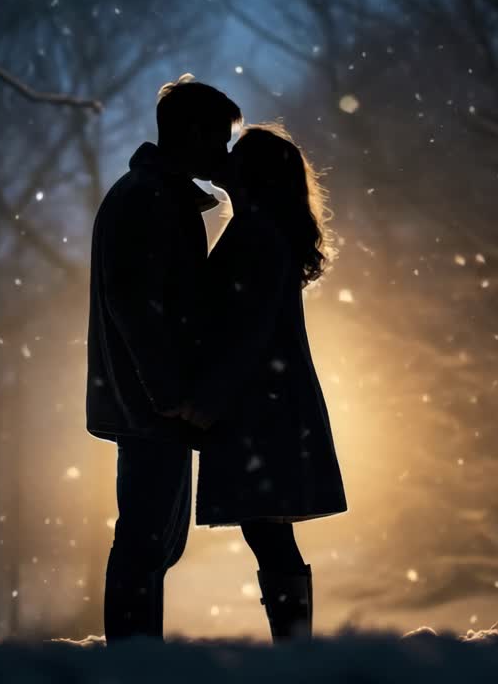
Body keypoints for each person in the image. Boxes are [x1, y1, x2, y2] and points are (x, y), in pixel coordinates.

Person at [86, 74, 240, 643]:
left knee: (154, 540)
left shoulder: (150, 193)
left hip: (147, 400)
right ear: (195, 133)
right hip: (152, 403)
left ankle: (138, 656)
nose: (223, 153)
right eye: (219, 140)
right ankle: (133, 661)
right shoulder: (151, 199)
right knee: (147, 540)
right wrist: (169, 392)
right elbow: (137, 305)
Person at [181, 123, 349, 641]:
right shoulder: (265, 229)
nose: (224, 159)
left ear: (252, 174)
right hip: (272, 400)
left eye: (236, 155)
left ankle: (294, 648)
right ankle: (293, 644)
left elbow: (247, 329)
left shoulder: (256, 234)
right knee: (269, 529)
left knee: (266, 528)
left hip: (261, 404)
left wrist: (206, 402)